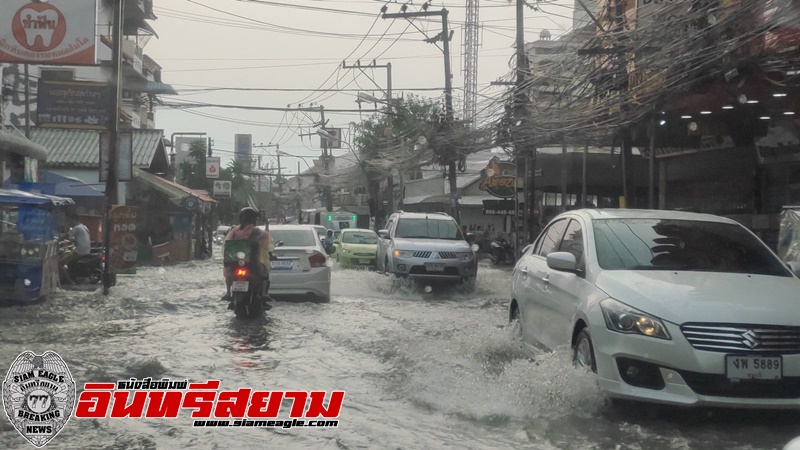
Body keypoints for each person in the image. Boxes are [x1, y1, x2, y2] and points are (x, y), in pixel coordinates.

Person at [221, 207, 275, 309]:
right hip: (253, 263)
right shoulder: (257, 231)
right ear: (254, 219)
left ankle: (228, 292)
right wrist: (271, 255)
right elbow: (267, 242)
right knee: (265, 274)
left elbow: (227, 246)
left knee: (229, 274)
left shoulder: (234, 231)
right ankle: (263, 294)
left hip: (236, 263)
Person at [59, 216, 92, 285]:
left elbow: (66, 236)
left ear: (74, 220)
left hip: (79, 251)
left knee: (60, 263)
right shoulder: (84, 227)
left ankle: (70, 282)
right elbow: (78, 239)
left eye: (70, 221)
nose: (70, 223)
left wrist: (57, 240)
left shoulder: (77, 228)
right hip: (86, 250)